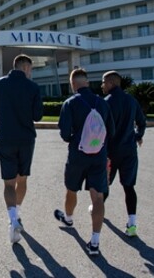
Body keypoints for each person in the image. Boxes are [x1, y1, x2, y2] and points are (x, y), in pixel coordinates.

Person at [56, 68, 115, 256]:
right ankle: (95, 242)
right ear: (87, 82)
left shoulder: (70, 103)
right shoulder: (102, 103)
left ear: (73, 84)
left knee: (71, 189)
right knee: (97, 197)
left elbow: (65, 134)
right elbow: (111, 131)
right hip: (99, 155)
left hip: (77, 155)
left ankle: (69, 218)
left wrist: (76, 138)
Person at [0, 54, 43, 244]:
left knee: (8, 184)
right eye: (31, 69)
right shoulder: (33, 87)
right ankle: (17, 213)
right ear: (26, 68)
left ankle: (12, 220)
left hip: (6, 139)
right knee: (22, 180)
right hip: (26, 140)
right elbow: (38, 116)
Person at [101, 70, 146, 237]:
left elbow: (100, 130)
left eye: (104, 82)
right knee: (129, 187)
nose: (102, 85)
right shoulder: (131, 101)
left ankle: (98, 211)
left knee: (105, 185)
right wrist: (137, 136)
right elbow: (141, 123)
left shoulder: (105, 103)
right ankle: (132, 223)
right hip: (129, 152)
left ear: (111, 83)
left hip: (110, 153)